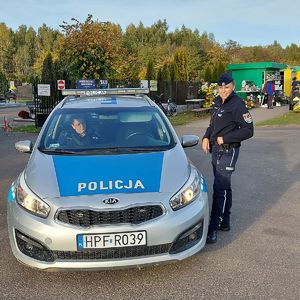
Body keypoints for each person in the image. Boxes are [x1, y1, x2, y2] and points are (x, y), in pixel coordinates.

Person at [202, 72, 254, 244]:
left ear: (233, 87)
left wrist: (225, 139)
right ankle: (225, 221)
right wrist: (205, 137)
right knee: (225, 186)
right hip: (216, 150)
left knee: (219, 188)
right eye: (221, 87)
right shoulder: (217, 102)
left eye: (227, 87)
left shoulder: (238, 105)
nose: (223, 90)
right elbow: (212, 125)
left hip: (228, 151)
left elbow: (248, 130)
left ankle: (213, 227)